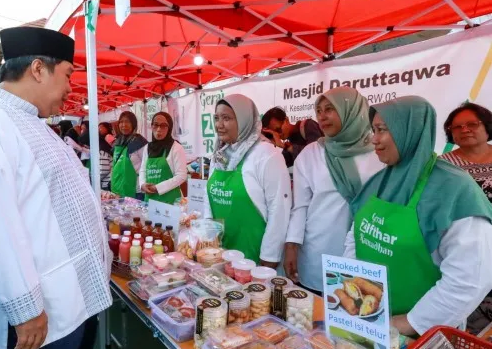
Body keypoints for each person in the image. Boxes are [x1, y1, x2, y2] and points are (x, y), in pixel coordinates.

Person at [0, 27, 112, 349]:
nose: (69, 88)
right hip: (35, 323)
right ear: (37, 69)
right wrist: (26, 310)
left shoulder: (32, 122)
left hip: (65, 307)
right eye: (66, 75)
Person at [346, 96, 492, 336]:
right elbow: (356, 236)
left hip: (423, 333)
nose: (374, 139)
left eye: (382, 129)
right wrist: (354, 291)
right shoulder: (380, 180)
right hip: (367, 317)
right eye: (373, 130)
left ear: (410, 130)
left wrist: (406, 323)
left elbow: (470, 279)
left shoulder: (454, 188)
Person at [283, 87, 384, 293]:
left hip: (367, 248)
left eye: (330, 109)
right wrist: (291, 245)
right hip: (319, 249)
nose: (322, 116)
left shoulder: (379, 152)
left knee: (359, 306)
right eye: (318, 111)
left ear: (352, 110)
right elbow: (300, 206)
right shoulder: (311, 154)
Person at [203, 94, 291, 265]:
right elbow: (209, 198)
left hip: (254, 257)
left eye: (226, 118)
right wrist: (209, 240)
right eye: (216, 118)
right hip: (220, 254)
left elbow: (279, 210)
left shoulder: (267, 155)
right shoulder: (219, 155)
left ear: (244, 120)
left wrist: (269, 258)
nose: (219, 125)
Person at [441, 102, 492, 334]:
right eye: (457, 126)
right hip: (466, 248)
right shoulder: (443, 165)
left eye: (472, 124)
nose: (465, 129)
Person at [139, 112, 187, 203]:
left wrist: (158, 188)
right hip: (150, 199)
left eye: (163, 126)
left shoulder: (176, 147)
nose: (158, 129)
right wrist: (142, 184)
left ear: (169, 128)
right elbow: (143, 170)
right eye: (155, 125)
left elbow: (181, 175)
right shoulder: (147, 147)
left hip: (170, 201)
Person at [111, 111, 147, 199]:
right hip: (117, 190)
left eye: (127, 122)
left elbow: (147, 165)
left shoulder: (139, 142)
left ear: (133, 124)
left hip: (135, 192)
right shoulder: (118, 142)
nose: (124, 125)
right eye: (121, 122)